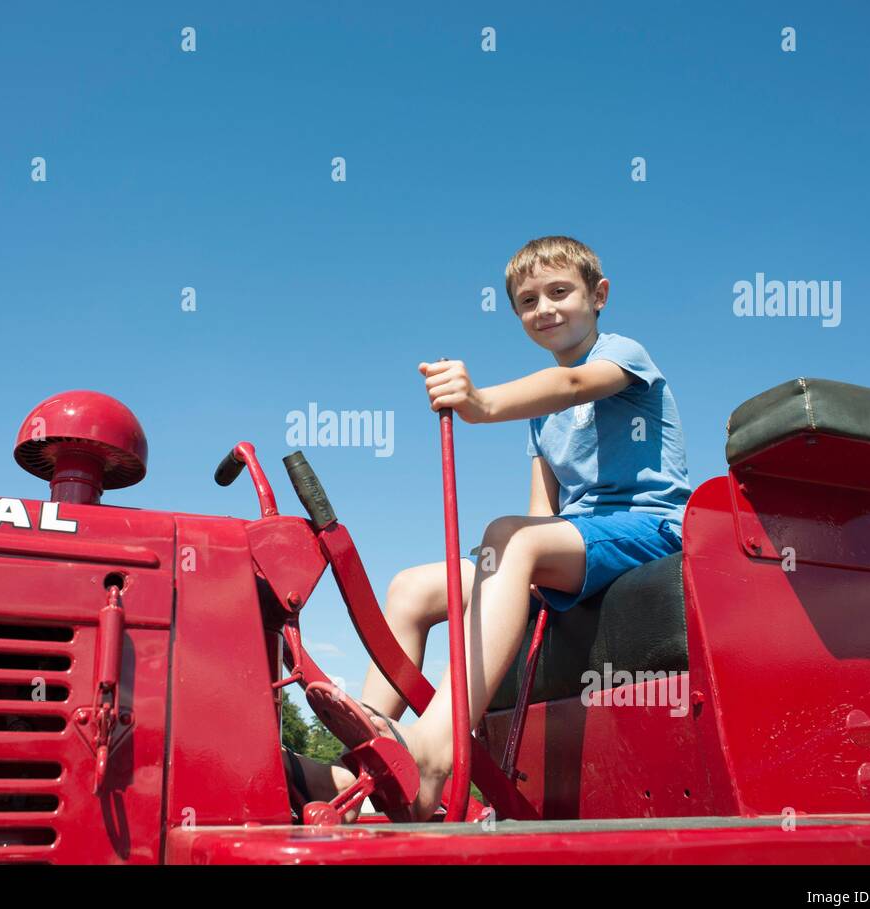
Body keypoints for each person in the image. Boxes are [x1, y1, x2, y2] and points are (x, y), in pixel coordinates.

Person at [286, 235, 691, 821]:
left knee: (508, 537)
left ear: (598, 295)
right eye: (528, 301)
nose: (545, 309)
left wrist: (479, 403)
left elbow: (574, 384)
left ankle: (432, 754)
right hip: (576, 543)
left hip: (647, 530)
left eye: (560, 292)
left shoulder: (622, 354)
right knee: (413, 586)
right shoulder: (542, 422)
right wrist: (510, 574)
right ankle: (368, 764)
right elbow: (541, 513)